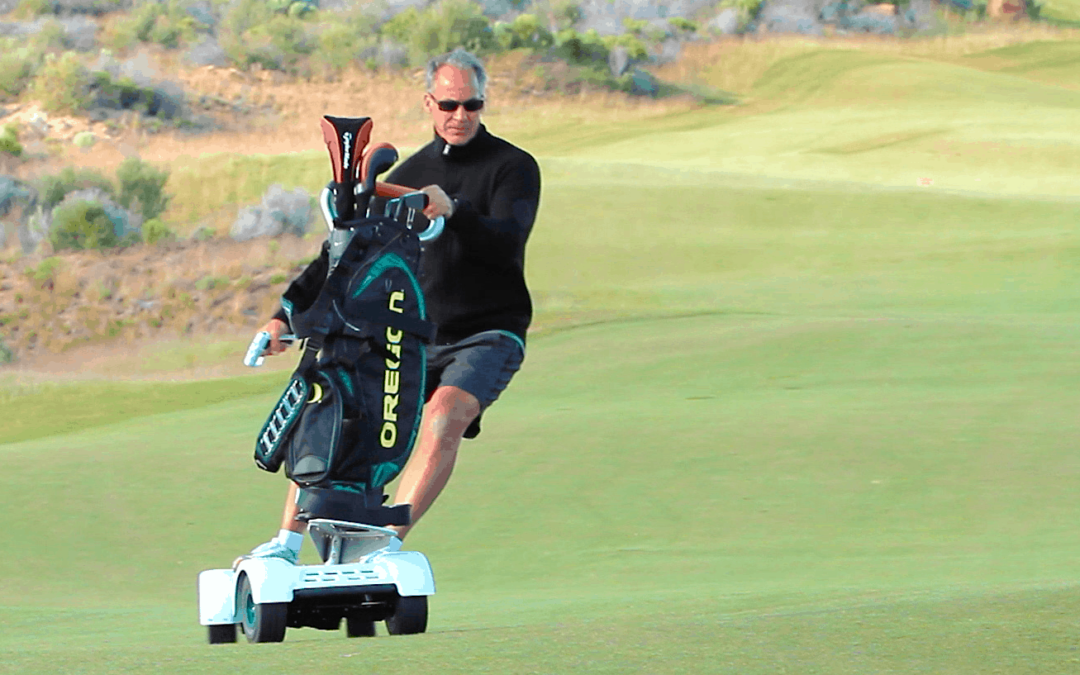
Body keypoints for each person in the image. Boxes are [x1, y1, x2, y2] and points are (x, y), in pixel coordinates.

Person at [239, 48, 541, 564]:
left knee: (444, 415)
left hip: (489, 331)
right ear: (429, 102)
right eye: (449, 104)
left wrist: (455, 210)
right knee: (335, 401)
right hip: (412, 334)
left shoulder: (513, 167)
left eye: (472, 105)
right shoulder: (408, 172)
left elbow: (506, 243)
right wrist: (284, 314)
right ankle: (286, 545)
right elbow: (342, 253)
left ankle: (385, 542)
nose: (460, 116)